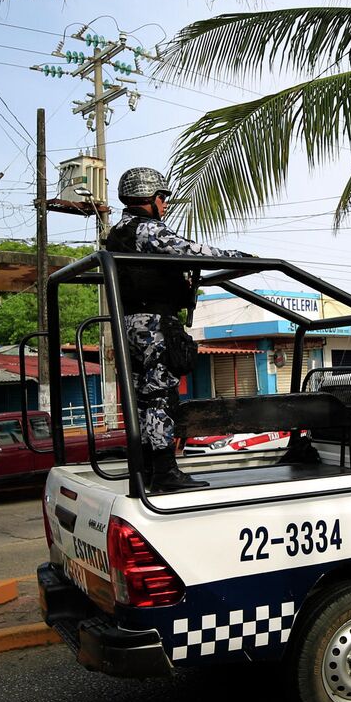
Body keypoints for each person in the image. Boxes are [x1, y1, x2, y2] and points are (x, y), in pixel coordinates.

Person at [106, 167, 252, 493]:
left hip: (129, 325)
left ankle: (144, 469)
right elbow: (190, 250)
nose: (166, 204)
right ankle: (165, 471)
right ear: (151, 199)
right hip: (153, 326)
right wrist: (243, 259)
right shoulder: (146, 230)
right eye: (163, 198)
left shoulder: (118, 231)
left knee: (142, 399)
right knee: (160, 396)